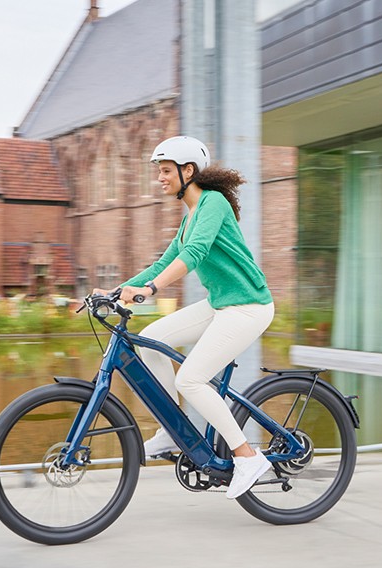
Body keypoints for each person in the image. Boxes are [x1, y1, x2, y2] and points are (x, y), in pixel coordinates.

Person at [94, 136, 275, 499]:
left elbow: (194, 254)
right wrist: (116, 289)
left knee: (191, 379)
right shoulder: (191, 215)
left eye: (164, 171)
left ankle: (247, 457)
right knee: (152, 343)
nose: (159, 178)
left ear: (187, 171)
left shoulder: (213, 203)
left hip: (248, 307)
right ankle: (170, 430)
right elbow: (163, 263)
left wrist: (153, 290)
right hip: (221, 304)